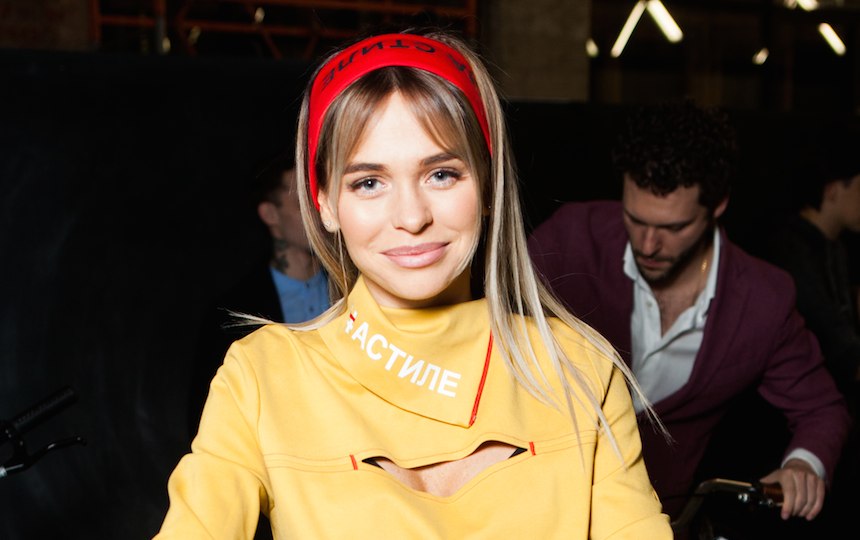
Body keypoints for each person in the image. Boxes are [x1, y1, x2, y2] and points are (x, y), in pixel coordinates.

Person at [156, 30, 672, 538]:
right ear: (326, 204)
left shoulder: (580, 368)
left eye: (441, 174)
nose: (411, 216)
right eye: (369, 182)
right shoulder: (262, 376)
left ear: (487, 183)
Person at [528, 99, 851, 526]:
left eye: (673, 228)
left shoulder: (762, 300)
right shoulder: (572, 237)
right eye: (635, 219)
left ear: (717, 206)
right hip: (538, 511)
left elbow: (822, 409)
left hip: (659, 523)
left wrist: (804, 465)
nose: (647, 244)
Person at [187, 154, 329, 435]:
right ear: (270, 215)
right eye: (302, 203)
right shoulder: (235, 315)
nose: (317, 211)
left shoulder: (357, 290)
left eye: (318, 198)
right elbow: (209, 424)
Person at [765, 118, 860, 534]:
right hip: (792, 436)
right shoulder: (790, 251)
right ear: (834, 188)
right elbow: (840, 346)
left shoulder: (834, 248)